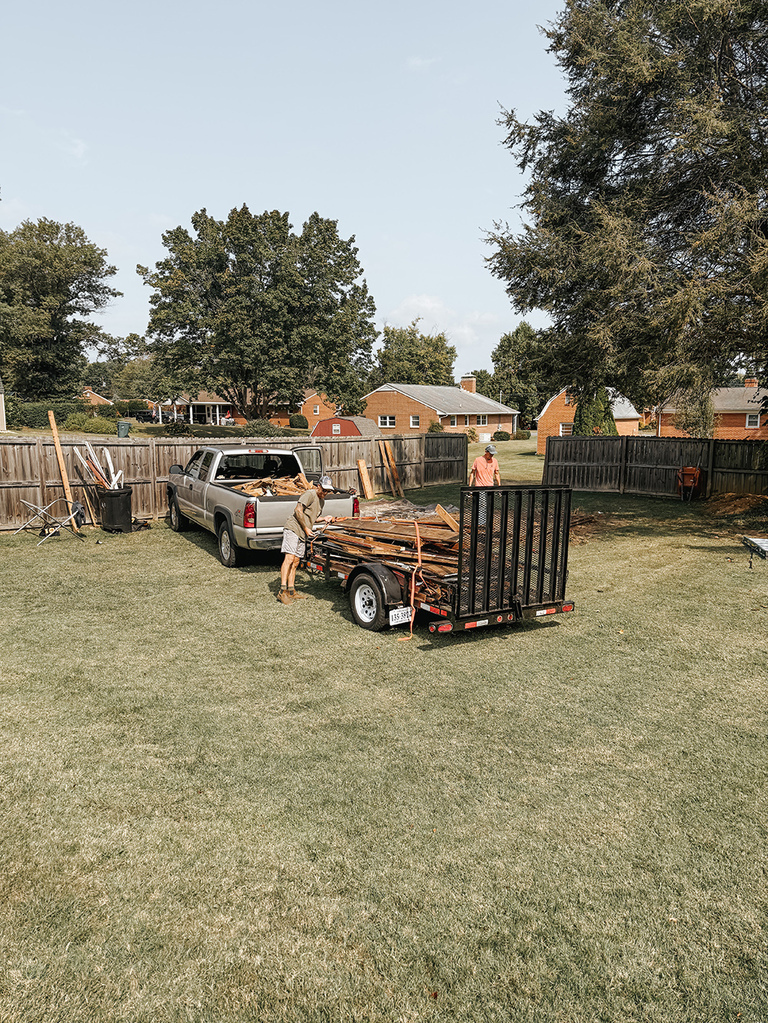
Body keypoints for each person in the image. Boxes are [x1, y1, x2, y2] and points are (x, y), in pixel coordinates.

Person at [277, 475, 335, 605]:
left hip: (303, 532)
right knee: (289, 558)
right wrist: (306, 528)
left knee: (296, 561)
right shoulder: (309, 494)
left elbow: (312, 518)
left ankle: (291, 591)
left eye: (328, 491)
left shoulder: (321, 501)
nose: (325, 493)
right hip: (293, 528)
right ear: (318, 486)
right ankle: (282, 591)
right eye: (324, 490)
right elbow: (298, 511)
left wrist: (324, 518)